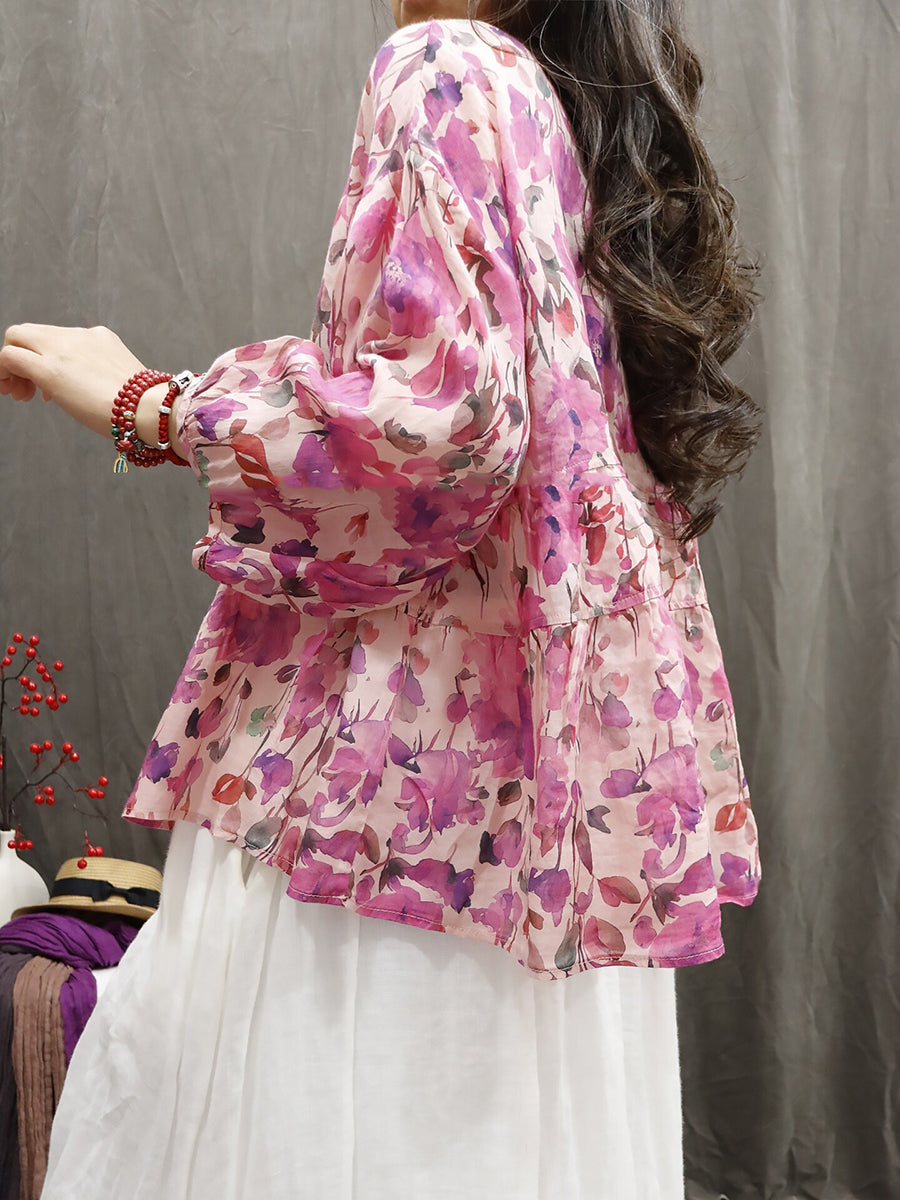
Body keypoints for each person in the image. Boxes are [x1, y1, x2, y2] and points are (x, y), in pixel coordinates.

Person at [0, 1, 763, 1196]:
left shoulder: (444, 63)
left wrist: (152, 407)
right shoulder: (562, 103)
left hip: (390, 794)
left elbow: (443, 425)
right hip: (528, 802)